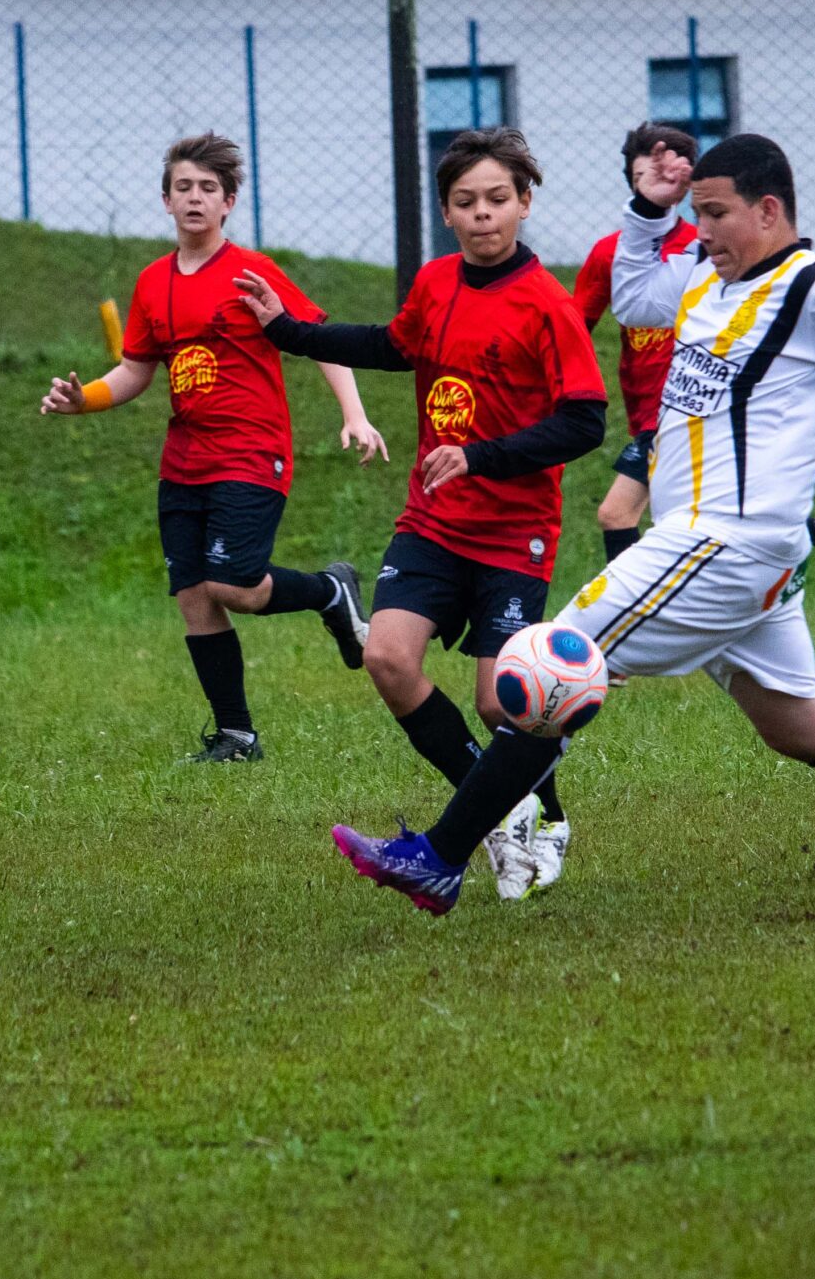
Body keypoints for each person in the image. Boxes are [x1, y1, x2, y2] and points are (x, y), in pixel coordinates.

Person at [325, 132, 815, 915]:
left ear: (770, 209)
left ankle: (439, 858)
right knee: (801, 726)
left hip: (725, 544)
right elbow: (635, 289)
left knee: (558, 663)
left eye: (714, 214)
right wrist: (650, 207)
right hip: (719, 549)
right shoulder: (709, 284)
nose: (703, 229)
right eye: (694, 213)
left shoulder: (814, 292)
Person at [236, 127, 607, 900]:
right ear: (446, 211)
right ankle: (502, 811)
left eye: (498, 200)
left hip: (514, 530)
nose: (482, 215)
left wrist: (480, 454)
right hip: (433, 522)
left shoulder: (548, 304)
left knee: (498, 697)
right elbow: (390, 343)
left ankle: (544, 815)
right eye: (466, 202)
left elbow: (585, 422)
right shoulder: (436, 283)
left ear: (525, 203)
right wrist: (286, 331)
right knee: (387, 658)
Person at [40, 132, 387, 763]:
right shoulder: (152, 283)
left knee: (234, 584)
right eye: (184, 188)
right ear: (166, 201)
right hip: (185, 462)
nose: (195, 198)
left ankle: (330, 593)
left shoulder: (252, 273)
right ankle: (237, 736)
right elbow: (135, 370)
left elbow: (316, 338)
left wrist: (355, 416)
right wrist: (82, 398)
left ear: (228, 203)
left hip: (252, 452)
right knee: (195, 596)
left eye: (208, 189)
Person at [575, 121, 815, 597]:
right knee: (696, 520)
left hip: (690, 410)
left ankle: (628, 613)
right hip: (647, 411)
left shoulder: (711, 246)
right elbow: (578, 323)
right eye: (640, 172)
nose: (651, 182)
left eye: (665, 172)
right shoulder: (615, 252)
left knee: (617, 513)